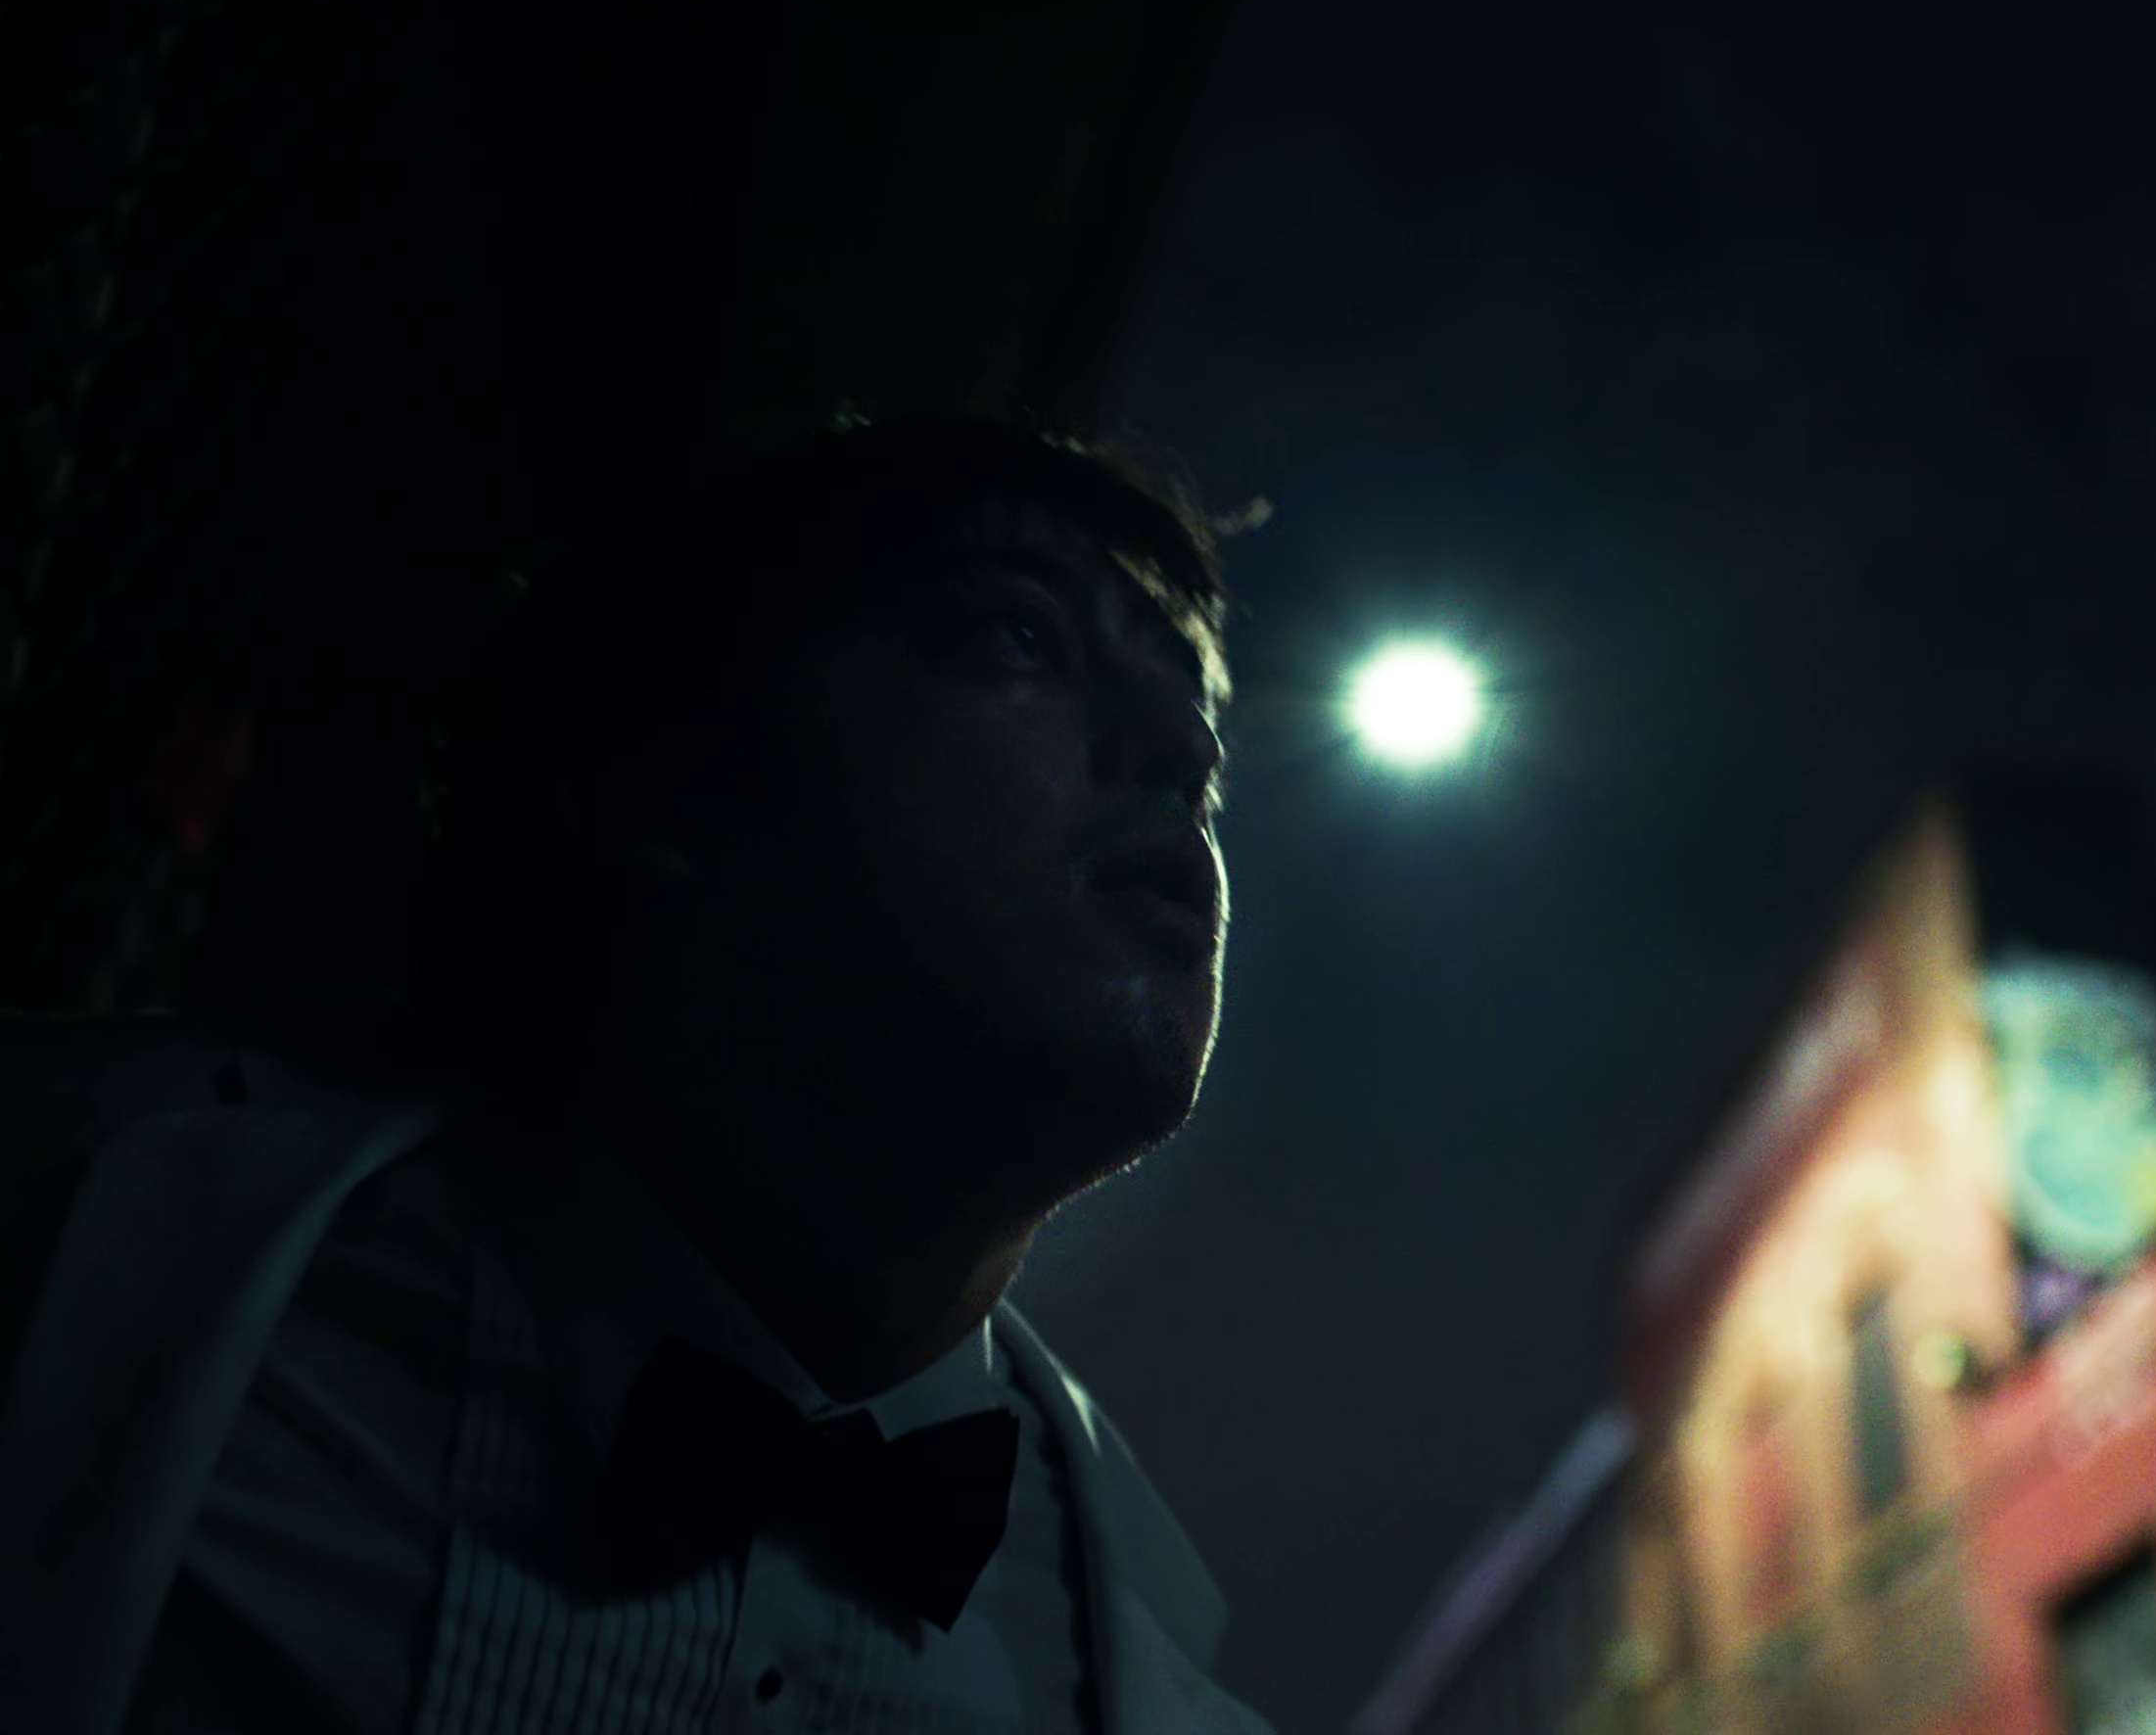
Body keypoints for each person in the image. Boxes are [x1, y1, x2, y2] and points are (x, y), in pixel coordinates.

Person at [0, 416, 1275, 1735]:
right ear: (652, 779)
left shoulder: (1138, 1672)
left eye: (1207, 757)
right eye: (1018, 635)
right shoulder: (63, 1220)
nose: (1177, 751)